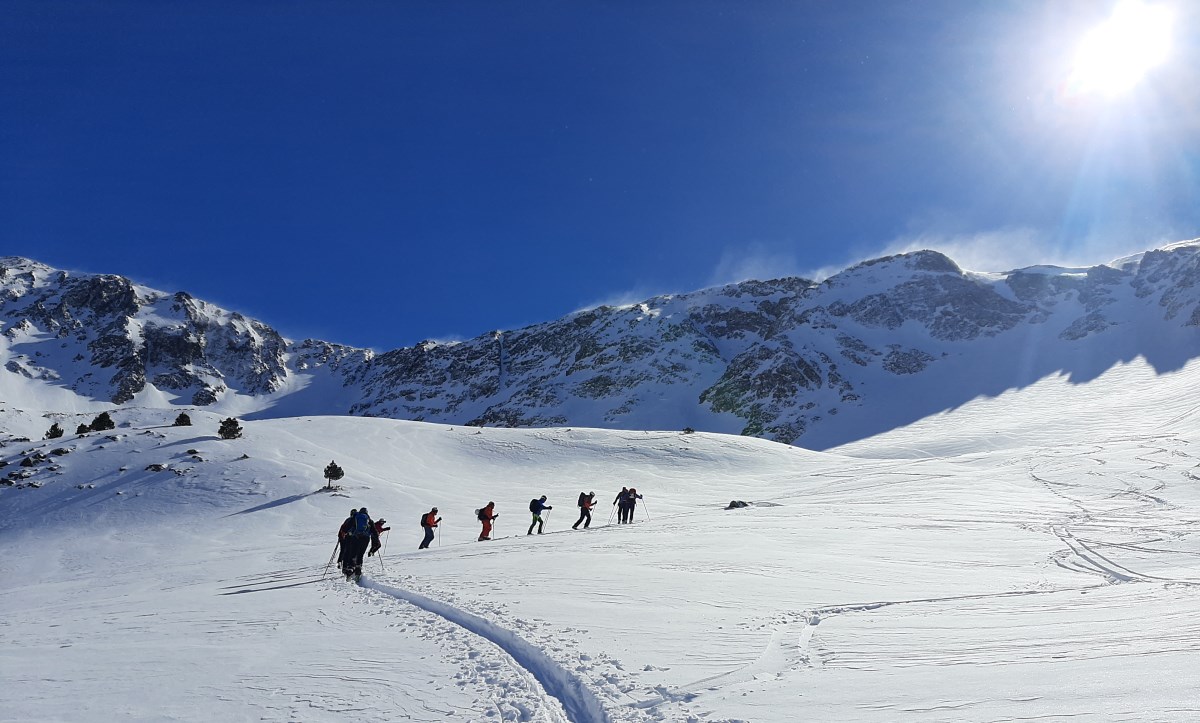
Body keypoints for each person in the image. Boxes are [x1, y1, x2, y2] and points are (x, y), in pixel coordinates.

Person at [341, 507, 379, 580]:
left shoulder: (355, 517)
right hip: (365, 539)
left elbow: (346, 528)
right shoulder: (369, 520)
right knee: (360, 554)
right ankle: (358, 570)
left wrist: (347, 534)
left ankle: (350, 569)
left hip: (355, 537)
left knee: (353, 553)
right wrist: (376, 542)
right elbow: (375, 532)